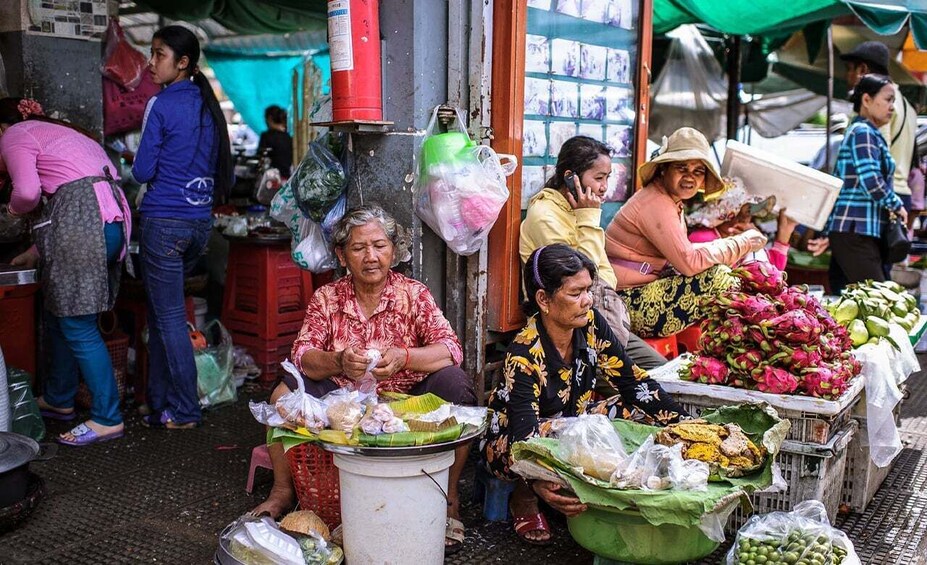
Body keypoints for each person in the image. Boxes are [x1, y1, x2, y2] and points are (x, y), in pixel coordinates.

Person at [253, 204, 476, 554]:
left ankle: (448, 499)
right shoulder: (327, 297)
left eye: (379, 245)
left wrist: (405, 356)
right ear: (343, 256)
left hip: (407, 402)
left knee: (457, 386)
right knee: (282, 393)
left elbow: (450, 349)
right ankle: (282, 491)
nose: (371, 257)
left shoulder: (413, 295)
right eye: (358, 248)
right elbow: (302, 355)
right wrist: (338, 362)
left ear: (393, 250)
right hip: (343, 404)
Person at [481, 244, 686, 545]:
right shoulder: (524, 354)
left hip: (571, 422)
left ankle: (617, 481)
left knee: (638, 412)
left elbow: (632, 383)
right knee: (549, 434)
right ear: (543, 299)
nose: (587, 300)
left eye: (588, 290)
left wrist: (684, 424)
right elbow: (524, 439)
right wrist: (537, 482)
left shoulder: (591, 325)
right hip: (512, 441)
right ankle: (523, 499)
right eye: (575, 293)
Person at [0, 97, 132, 446]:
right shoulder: (59, 133)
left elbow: (27, 193)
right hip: (108, 223)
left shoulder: (13, 134)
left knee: (77, 323)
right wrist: (34, 251)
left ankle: (107, 418)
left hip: (83, 225)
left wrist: (10, 213)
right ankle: (59, 400)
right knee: (60, 314)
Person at [133, 25, 233, 429]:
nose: (151, 63)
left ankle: (186, 410)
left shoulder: (161, 104)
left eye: (159, 55)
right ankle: (157, 401)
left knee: (169, 317)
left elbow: (141, 171)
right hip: (197, 226)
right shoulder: (208, 108)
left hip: (163, 224)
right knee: (162, 315)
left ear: (183, 63)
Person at [603, 127, 767, 337]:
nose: (690, 177)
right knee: (718, 278)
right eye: (682, 168)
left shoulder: (671, 201)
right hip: (623, 303)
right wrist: (742, 242)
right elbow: (689, 263)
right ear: (664, 169)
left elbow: (687, 253)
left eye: (698, 171)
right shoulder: (656, 202)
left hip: (640, 292)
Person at [520, 135, 666, 370]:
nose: (604, 187)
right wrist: (588, 219)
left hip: (597, 318)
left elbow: (605, 275)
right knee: (641, 386)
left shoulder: (579, 210)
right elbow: (582, 279)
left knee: (662, 371)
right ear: (570, 178)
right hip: (564, 328)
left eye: (607, 177)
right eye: (598, 178)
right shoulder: (545, 216)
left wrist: (588, 219)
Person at [811, 74, 906, 294]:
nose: (892, 106)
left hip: (854, 230)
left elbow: (844, 187)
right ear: (866, 100)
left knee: (849, 301)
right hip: (855, 232)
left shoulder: (866, 132)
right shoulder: (863, 132)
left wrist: (828, 232)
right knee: (881, 299)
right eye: (888, 99)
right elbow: (871, 180)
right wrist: (896, 204)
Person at [841, 41, 917, 218]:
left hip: (882, 199)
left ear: (862, 70)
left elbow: (877, 158)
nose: (847, 75)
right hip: (901, 193)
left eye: (850, 69)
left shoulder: (877, 105)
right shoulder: (907, 105)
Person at [687, 180, 799, 271]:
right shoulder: (703, 238)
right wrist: (749, 244)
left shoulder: (742, 237)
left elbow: (772, 272)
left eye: (748, 213)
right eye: (737, 213)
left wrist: (784, 233)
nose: (743, 219)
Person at [257, 105, 293, 177]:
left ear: (269, 118)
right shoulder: (289, 137)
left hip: (271, 179)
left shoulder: (266, 136)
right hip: (287, 177)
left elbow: (260, 157)